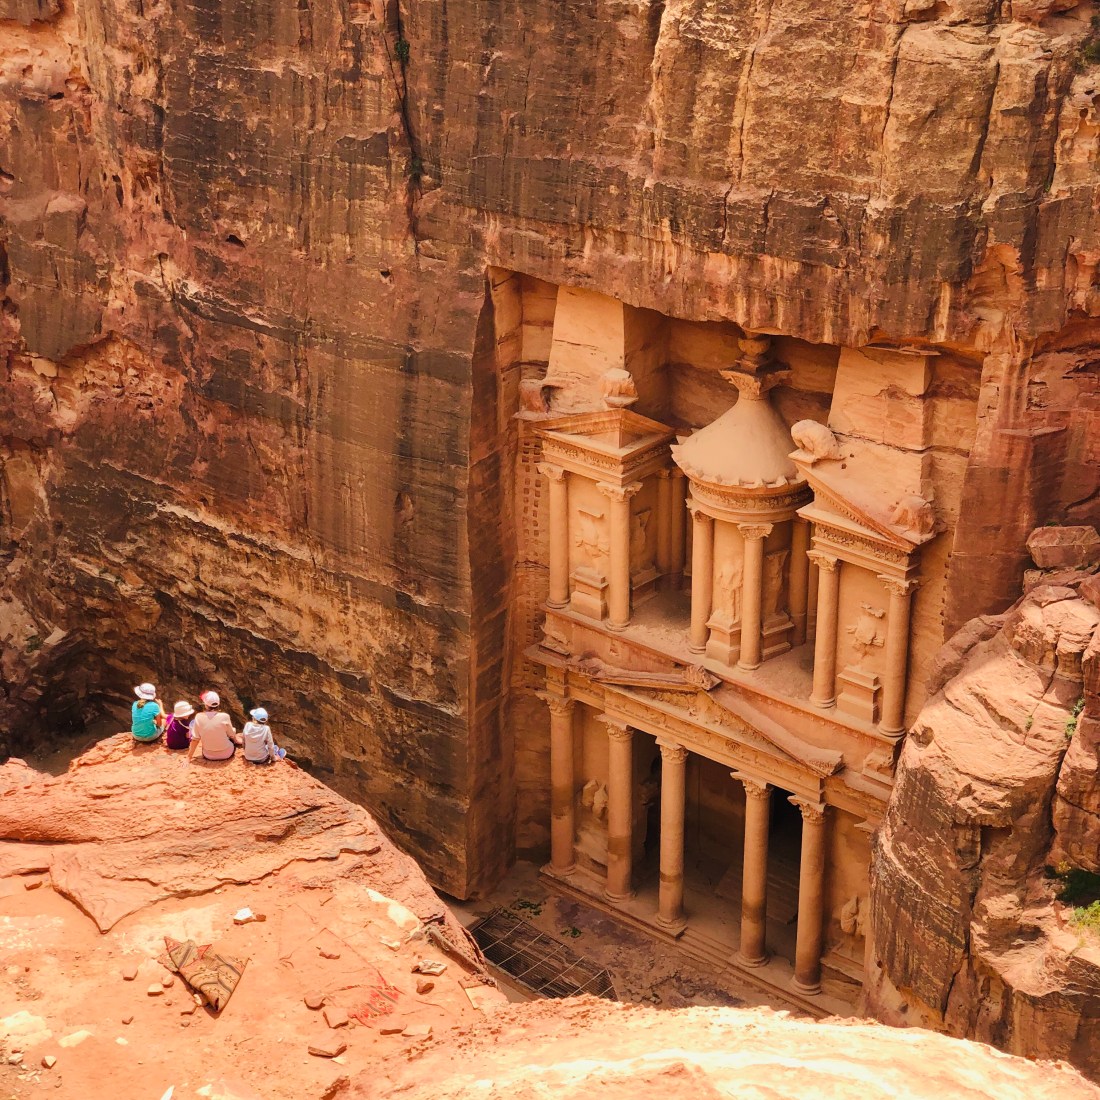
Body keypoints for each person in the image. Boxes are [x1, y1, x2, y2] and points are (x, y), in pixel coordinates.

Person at [187, 691, 241, 762]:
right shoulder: (225, 716)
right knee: (231, 732)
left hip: (208, 755)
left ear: (205, 704)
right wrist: (237, 740)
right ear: (218, 704)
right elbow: (231, 735)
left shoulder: (198, 717)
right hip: (227, 754)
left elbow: (195, 739)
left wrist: (189, 757)